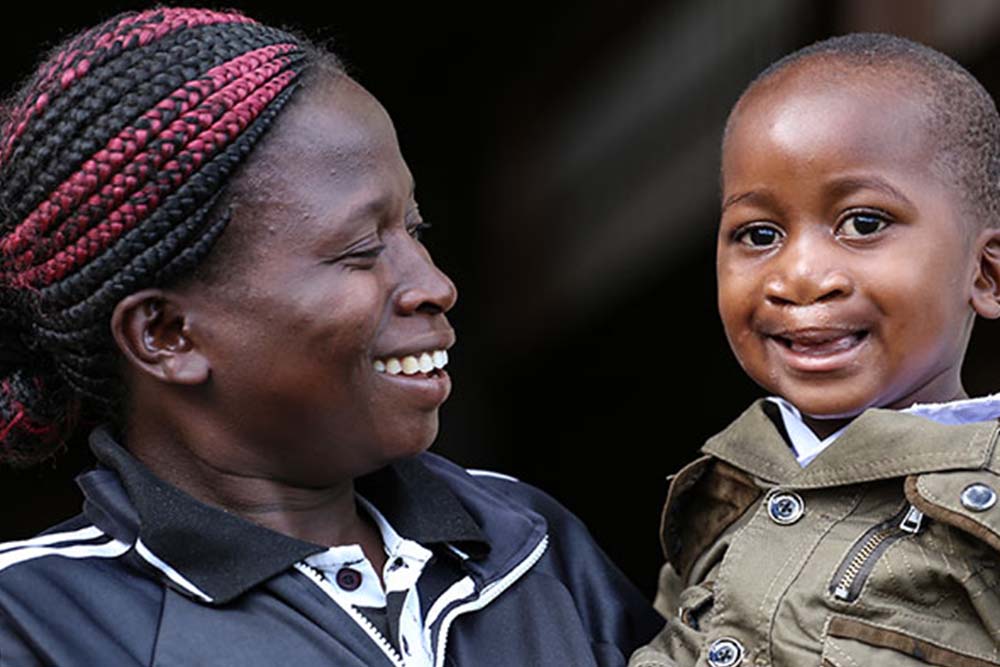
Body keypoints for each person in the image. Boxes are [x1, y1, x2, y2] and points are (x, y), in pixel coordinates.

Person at [0, 8, 662, 666]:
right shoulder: (38, 622)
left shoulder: (526, 540)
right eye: (363, 248)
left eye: (415, 230)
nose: (434, 284)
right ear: (168, 335)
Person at [630, 34, 1000, 667]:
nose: (799, 275)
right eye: (759, 234)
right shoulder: (718, 501)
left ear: (986, 274)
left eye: (863, 223)